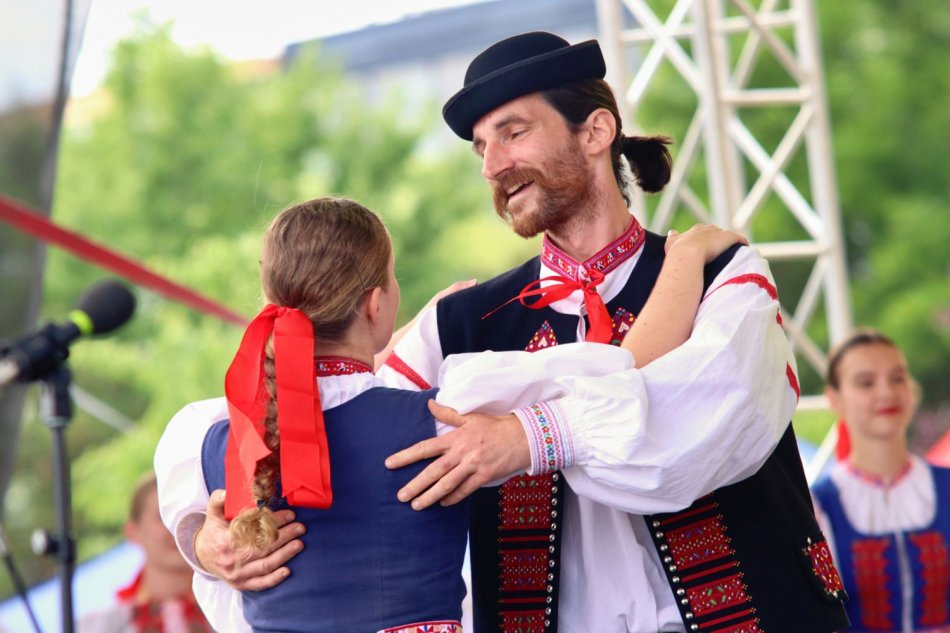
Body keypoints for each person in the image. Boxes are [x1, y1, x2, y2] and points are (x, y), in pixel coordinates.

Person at [165, 32, 849, 633]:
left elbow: (706, 412)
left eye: (513, 133)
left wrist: (529, 437)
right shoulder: (460, 324)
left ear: (595, 131)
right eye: (481, 148)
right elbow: (305, 411)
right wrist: (206, 537)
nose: (492, 165)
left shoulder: (724, 272)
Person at [156, 196, 744, 632]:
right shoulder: (443, 418)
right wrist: (686, 256)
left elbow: (326, 396)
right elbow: (626, 372)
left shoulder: (216, 442)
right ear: (375, 303)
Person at [812, 329, 950, 632]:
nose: (886, 392)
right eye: (866, 383)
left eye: (897, 378)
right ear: (835, 399)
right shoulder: (818, 508)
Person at [77, 472, 213, 633]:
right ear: (133, 532)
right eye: (162, 517)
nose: (176, 528)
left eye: (185, 515)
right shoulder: (97, 626)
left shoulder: (228, 606)